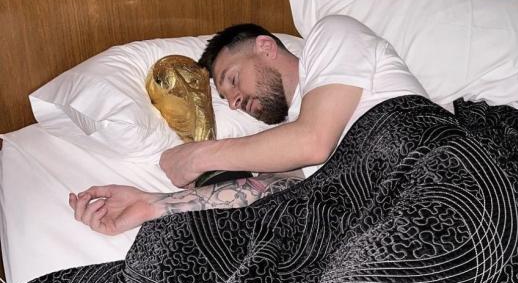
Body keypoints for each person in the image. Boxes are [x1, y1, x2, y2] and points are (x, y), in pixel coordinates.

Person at [70, 15, 428, 235]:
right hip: (387, 220)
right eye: (227, 99)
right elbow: (268, 191)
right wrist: (154, 204)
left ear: (266, 47)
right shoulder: (286, 139)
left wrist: (198, 155)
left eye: (233, 79)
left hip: (429, 171)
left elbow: (313, 141)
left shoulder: (333, 34)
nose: (235, 102)